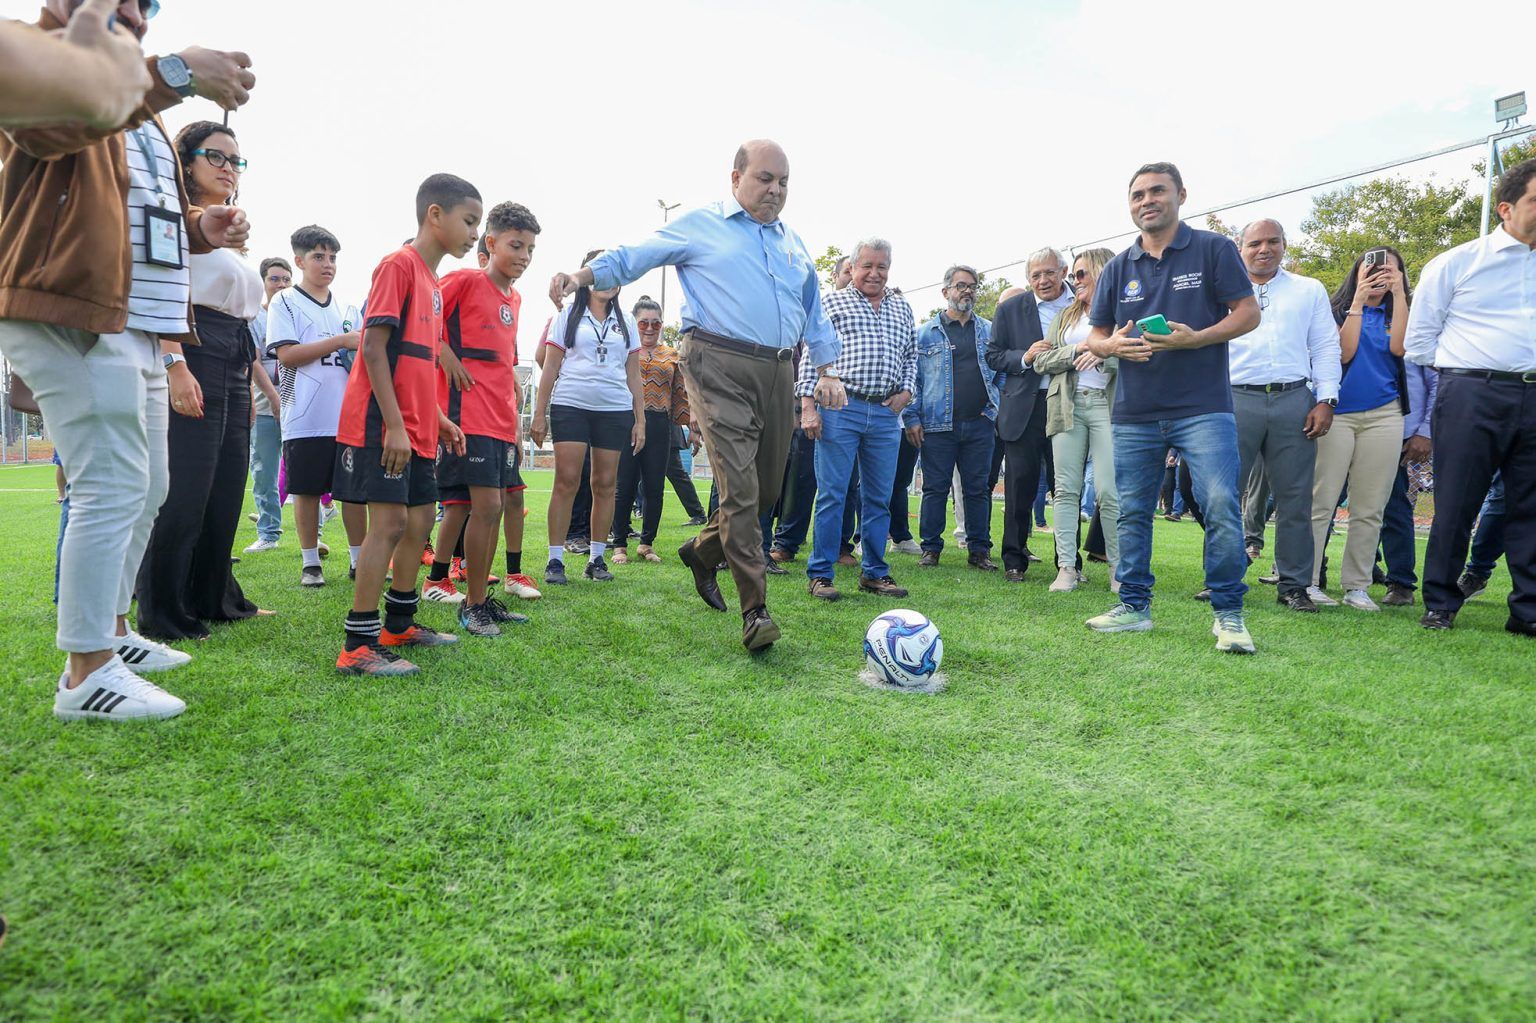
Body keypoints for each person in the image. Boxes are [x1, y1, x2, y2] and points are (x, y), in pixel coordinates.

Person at [0, 0, 254, 720]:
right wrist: (178, 72)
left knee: (149, 486)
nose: (137, 11)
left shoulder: (138, 100)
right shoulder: (39, 55)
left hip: (138, 320)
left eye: (148, 3)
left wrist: (201, 227)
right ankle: (86, 671)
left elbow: (140, 210)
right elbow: (57, 123)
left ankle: (113, 631)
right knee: (111, 483)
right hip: (74, 306)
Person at [548, 140, 843, 651]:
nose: (775, 190)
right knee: (741, 492)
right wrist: (582, 276)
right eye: (765, 178)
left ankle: (703, 551)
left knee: (766, 492)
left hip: (778, 369)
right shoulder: (702, 225)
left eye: (784, 182)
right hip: (717, 362)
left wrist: (828, 369)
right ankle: (756, 613)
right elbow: (637, 255)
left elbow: (813, 311)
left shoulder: (793, 243)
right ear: (736, 178)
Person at [1083, 162, 1261, 652]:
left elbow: (1248, 313)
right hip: (1135, 411)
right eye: (1138, 195)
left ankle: (1228, 614)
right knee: (1131, 510)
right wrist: (1110, 347)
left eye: (1157, 191)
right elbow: (1096, 335)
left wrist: (1196, 339)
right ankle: (1133, 607)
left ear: (1181, 195)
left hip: (1203, 406)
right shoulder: (1118, 267)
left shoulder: (1213, 249)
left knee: (1220, 503)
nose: (1147, 201)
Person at [333, 173, 480, 676]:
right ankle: (357, 644)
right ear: (434, 214)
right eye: (469, 221)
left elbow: (416, 364)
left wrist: (438, 419)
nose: (474, 234)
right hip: (384, 423)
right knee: (391, 524)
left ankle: (399, 624)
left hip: (419, 427)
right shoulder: (398, 265)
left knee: (419, 523)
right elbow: (373, 349)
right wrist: (394, 426)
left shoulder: (433, 284)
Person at [134, 119, 273, 640]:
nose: (228, 168)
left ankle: (215, 598)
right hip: (192, 349)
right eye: (216, 156)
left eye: (236, 160)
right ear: (185, 161)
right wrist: (175, 365)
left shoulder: (228, 234)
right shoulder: (172, 217)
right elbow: (160, 293)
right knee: (186, 489)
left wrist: (248, 384)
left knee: (226, 487)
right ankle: (163, 610)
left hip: (233, 359)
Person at [1407, 157, 1536, 636]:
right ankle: (1441, 602)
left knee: (1530, 508)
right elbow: (1420, 342)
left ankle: (1528, 611)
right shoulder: (1457, 263)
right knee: (1458, 503)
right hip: (1471, 394)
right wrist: (1472, 370)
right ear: (1506, 208)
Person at [423, 201, 541, 635]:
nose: (524, 256)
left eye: (530, 249)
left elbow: (505, 364)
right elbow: (420, 319)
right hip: (466, 416)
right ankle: (471, 605)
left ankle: (480, 600)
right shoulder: (463, 280)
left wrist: (514, 425)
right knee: (485, 507)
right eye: (516, 245)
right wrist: (445, 353)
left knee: (492, 507)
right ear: (490, 243)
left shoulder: (515, 298)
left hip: (500, 419)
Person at [1229, 219, 1341, 613]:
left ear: (1284, 244)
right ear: (1240, 248)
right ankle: (1222, 579)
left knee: (1295, 498)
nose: (1264, 249)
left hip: (1294, 398)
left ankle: (1294, 586)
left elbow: (1325, 346)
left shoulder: (1308, 289)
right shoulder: (1222, 290)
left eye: (1272, 241)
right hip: (1235, 397)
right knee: (1225, 494)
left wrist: (1326, 398)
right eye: (1255, 243)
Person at [800, 238, 916, 601]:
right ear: (852, 268)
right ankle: (821, 574)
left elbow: (911, 355)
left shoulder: (902, 307)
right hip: (840, 408)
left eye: (882, 266)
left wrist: (907, 391)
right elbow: (811, 354)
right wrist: (807, 406)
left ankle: (875, 573)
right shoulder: (832, 302)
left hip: (885, 414)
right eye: (867, 266)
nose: (874, 273)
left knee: (879, 498)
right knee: (832, 495)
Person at [531, 250, 645, 585]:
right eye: (598, 273)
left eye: (611, 274)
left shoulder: (627, 323)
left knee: (605, 483)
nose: (606, 281)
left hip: (615, 409)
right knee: (566, 480)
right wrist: (539, 413)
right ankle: (555, 560)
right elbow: (550, 366)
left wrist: (640, 420)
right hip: (571, 405)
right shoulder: (567, 315)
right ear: (585, 278)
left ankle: (597, 559)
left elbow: (634, 374)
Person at [1307, 247, 1411, 611]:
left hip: (1385, 414)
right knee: (1321, 500)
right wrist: (1358, 303)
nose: (1381, 275)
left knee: (1370, 505)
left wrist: (1399, 295)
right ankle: (1307, 580)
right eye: (1374, 269)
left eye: (1390, 270)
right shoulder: (1335, 310)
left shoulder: (1400, 311)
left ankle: (1357, 586)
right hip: (1337, 414)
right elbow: (1343, 354)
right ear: (1358, 272)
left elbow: (1400, 348)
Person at [265, 225, 366, 586]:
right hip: (304, 415)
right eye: (319, 257)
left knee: (353, 494)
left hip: (347, 417)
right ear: (299, 261)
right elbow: (287, 355)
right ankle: (311, 563)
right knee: (306, 491)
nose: (328, 264)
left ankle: (359, 560)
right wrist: (341, 341)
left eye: (333, 257)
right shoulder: (285, 301)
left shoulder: (348, 308)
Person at [1033, 247, 1121, 592]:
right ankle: (1066, 568)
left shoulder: (1123, 313)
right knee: (1066, 490)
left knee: (1109, 491)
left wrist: (1104, 353)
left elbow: (1140, 356)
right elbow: (1042, 361)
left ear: (1102, 272)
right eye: (1074, 275)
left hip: (1109, 408)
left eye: (1081, 274)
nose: (1075, 280)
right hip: (1066, 405)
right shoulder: (1066, 316)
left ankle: (1118, 570)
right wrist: (1078, 350)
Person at [905, 263, 1000, 570]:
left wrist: (994, 409)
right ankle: (930, 549)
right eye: (961, 285)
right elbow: (913, 379)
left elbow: (1001, 373)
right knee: (934, 488)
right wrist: (911, 417)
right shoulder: (924, 334)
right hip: (936, 425)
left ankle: (979, 551)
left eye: (972, 286)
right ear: (945, 291)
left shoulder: (989, 331)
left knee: (977, 490)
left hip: (980, 423)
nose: (967, 291)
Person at [986, 249, 1073, 580]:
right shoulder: (1010, 308)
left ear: (1064, 271)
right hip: (1025, 406)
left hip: (1068, 403)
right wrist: (1025, 357)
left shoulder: (1082, 303)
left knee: (1066, 485)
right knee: (1019, 485)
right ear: (1028, 279)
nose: (1043, 280)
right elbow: (994, 355)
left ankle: (1068, 562)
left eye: (1049, 273)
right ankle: (1014, 559)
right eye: (1036, 275)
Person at [611, 296, 690, 564]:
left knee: (655, 486)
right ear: (634, 323)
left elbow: (680, 393)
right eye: (643, 322)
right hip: (627, 422)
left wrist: (690, 426)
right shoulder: (623, 350)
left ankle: (646, 543)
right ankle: (619, 544)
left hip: (659, 424)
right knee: (624, 484)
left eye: (656, 323)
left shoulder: (671, 355)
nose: (649, 328)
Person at [0, 0, 149, 131]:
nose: (136, 17)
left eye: (143, 5)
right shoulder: (17, 37)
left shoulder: (136, 87)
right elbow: (41, 136)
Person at [1373, 359, 1436, 605]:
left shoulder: (1415, 340)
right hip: (1343, 423)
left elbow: (1437, 383)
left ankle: (1401, 583)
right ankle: (1313, 574)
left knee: (1393, 505)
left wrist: (1426, 431)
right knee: (1327, 501)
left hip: (1397, 430)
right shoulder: (1344, 331)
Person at [245, 256, 292, 552]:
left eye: (286, 279)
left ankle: (315, 535)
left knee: (304, 469)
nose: (281, 284)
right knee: (264, 471)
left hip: (298, 405)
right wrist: (274, 399)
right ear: (263, 282)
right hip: (265, 405)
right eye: (275, 279)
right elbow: (254, 362)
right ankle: (269, 533)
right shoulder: (254, 318)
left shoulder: (298, 313)